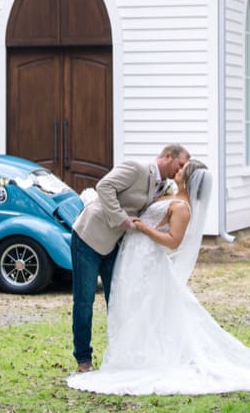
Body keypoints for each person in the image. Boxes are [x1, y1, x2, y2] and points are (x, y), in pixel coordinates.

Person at [68, 161, 250, 395]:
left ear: (186, 178)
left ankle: (136, 356)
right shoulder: (167, 193)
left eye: (181, 170)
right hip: (132, 255)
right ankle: (120, 353)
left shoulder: (183, 208)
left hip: (147, 258)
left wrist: (143, 229)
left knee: (139, 308)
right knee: (126, 306)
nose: (176, 171)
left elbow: (173, 242)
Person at [70, 144, 189, 373]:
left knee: (119, 299)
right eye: (180, 164)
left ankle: (121, 354)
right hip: (89, 236)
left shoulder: (164, 186)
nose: (180, 169)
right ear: (167, 156)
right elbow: (104, 186)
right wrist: (122, 218)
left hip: (116, 245)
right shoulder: (136, 168)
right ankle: (83, 359)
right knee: (84, 301)